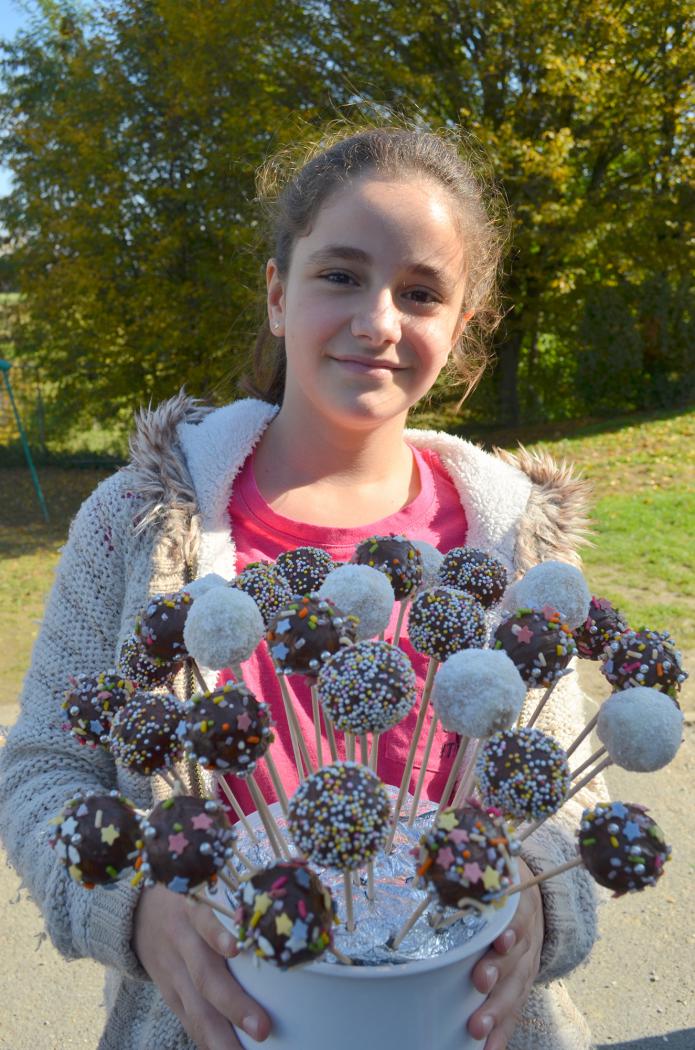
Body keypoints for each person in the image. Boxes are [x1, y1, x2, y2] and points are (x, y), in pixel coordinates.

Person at [0, 125, 603, 1050]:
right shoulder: (137, 522)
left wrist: (538, 899)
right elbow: (42, 770)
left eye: (421, 293)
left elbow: (565, 795)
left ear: (461, 328)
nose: (378, 321)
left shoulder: (511, 548)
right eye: (341, 275)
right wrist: (136, 906)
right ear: (279, 296)